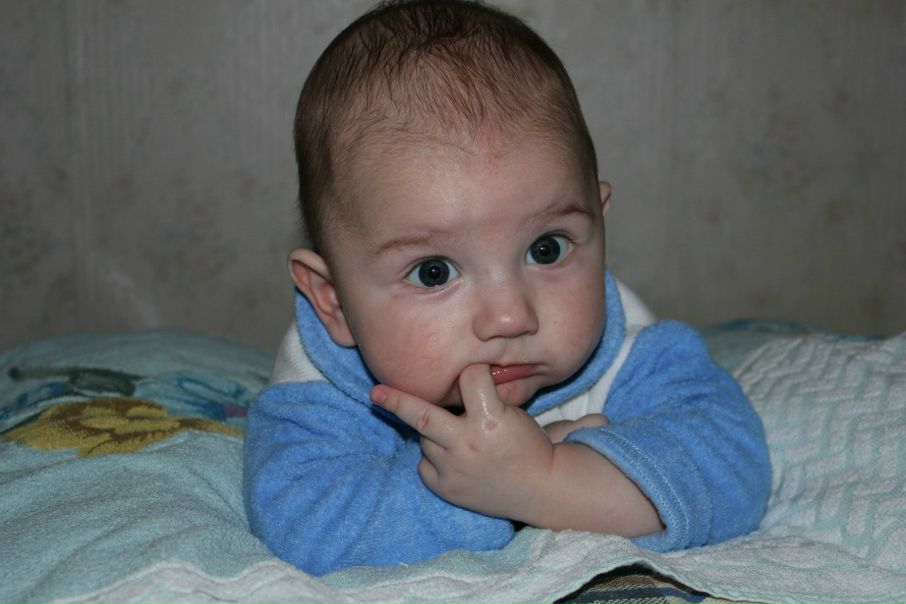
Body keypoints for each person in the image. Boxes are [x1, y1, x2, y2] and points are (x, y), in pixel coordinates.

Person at [243, 0, 771, 576]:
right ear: (334, 302)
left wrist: (549, 484)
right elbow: (307, 524)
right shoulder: (319, 387)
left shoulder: (630, 350)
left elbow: (732, 467)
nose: (509, 316)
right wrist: (484, 490)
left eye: (546, 249)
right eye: (433, 272)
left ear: (598, 227)